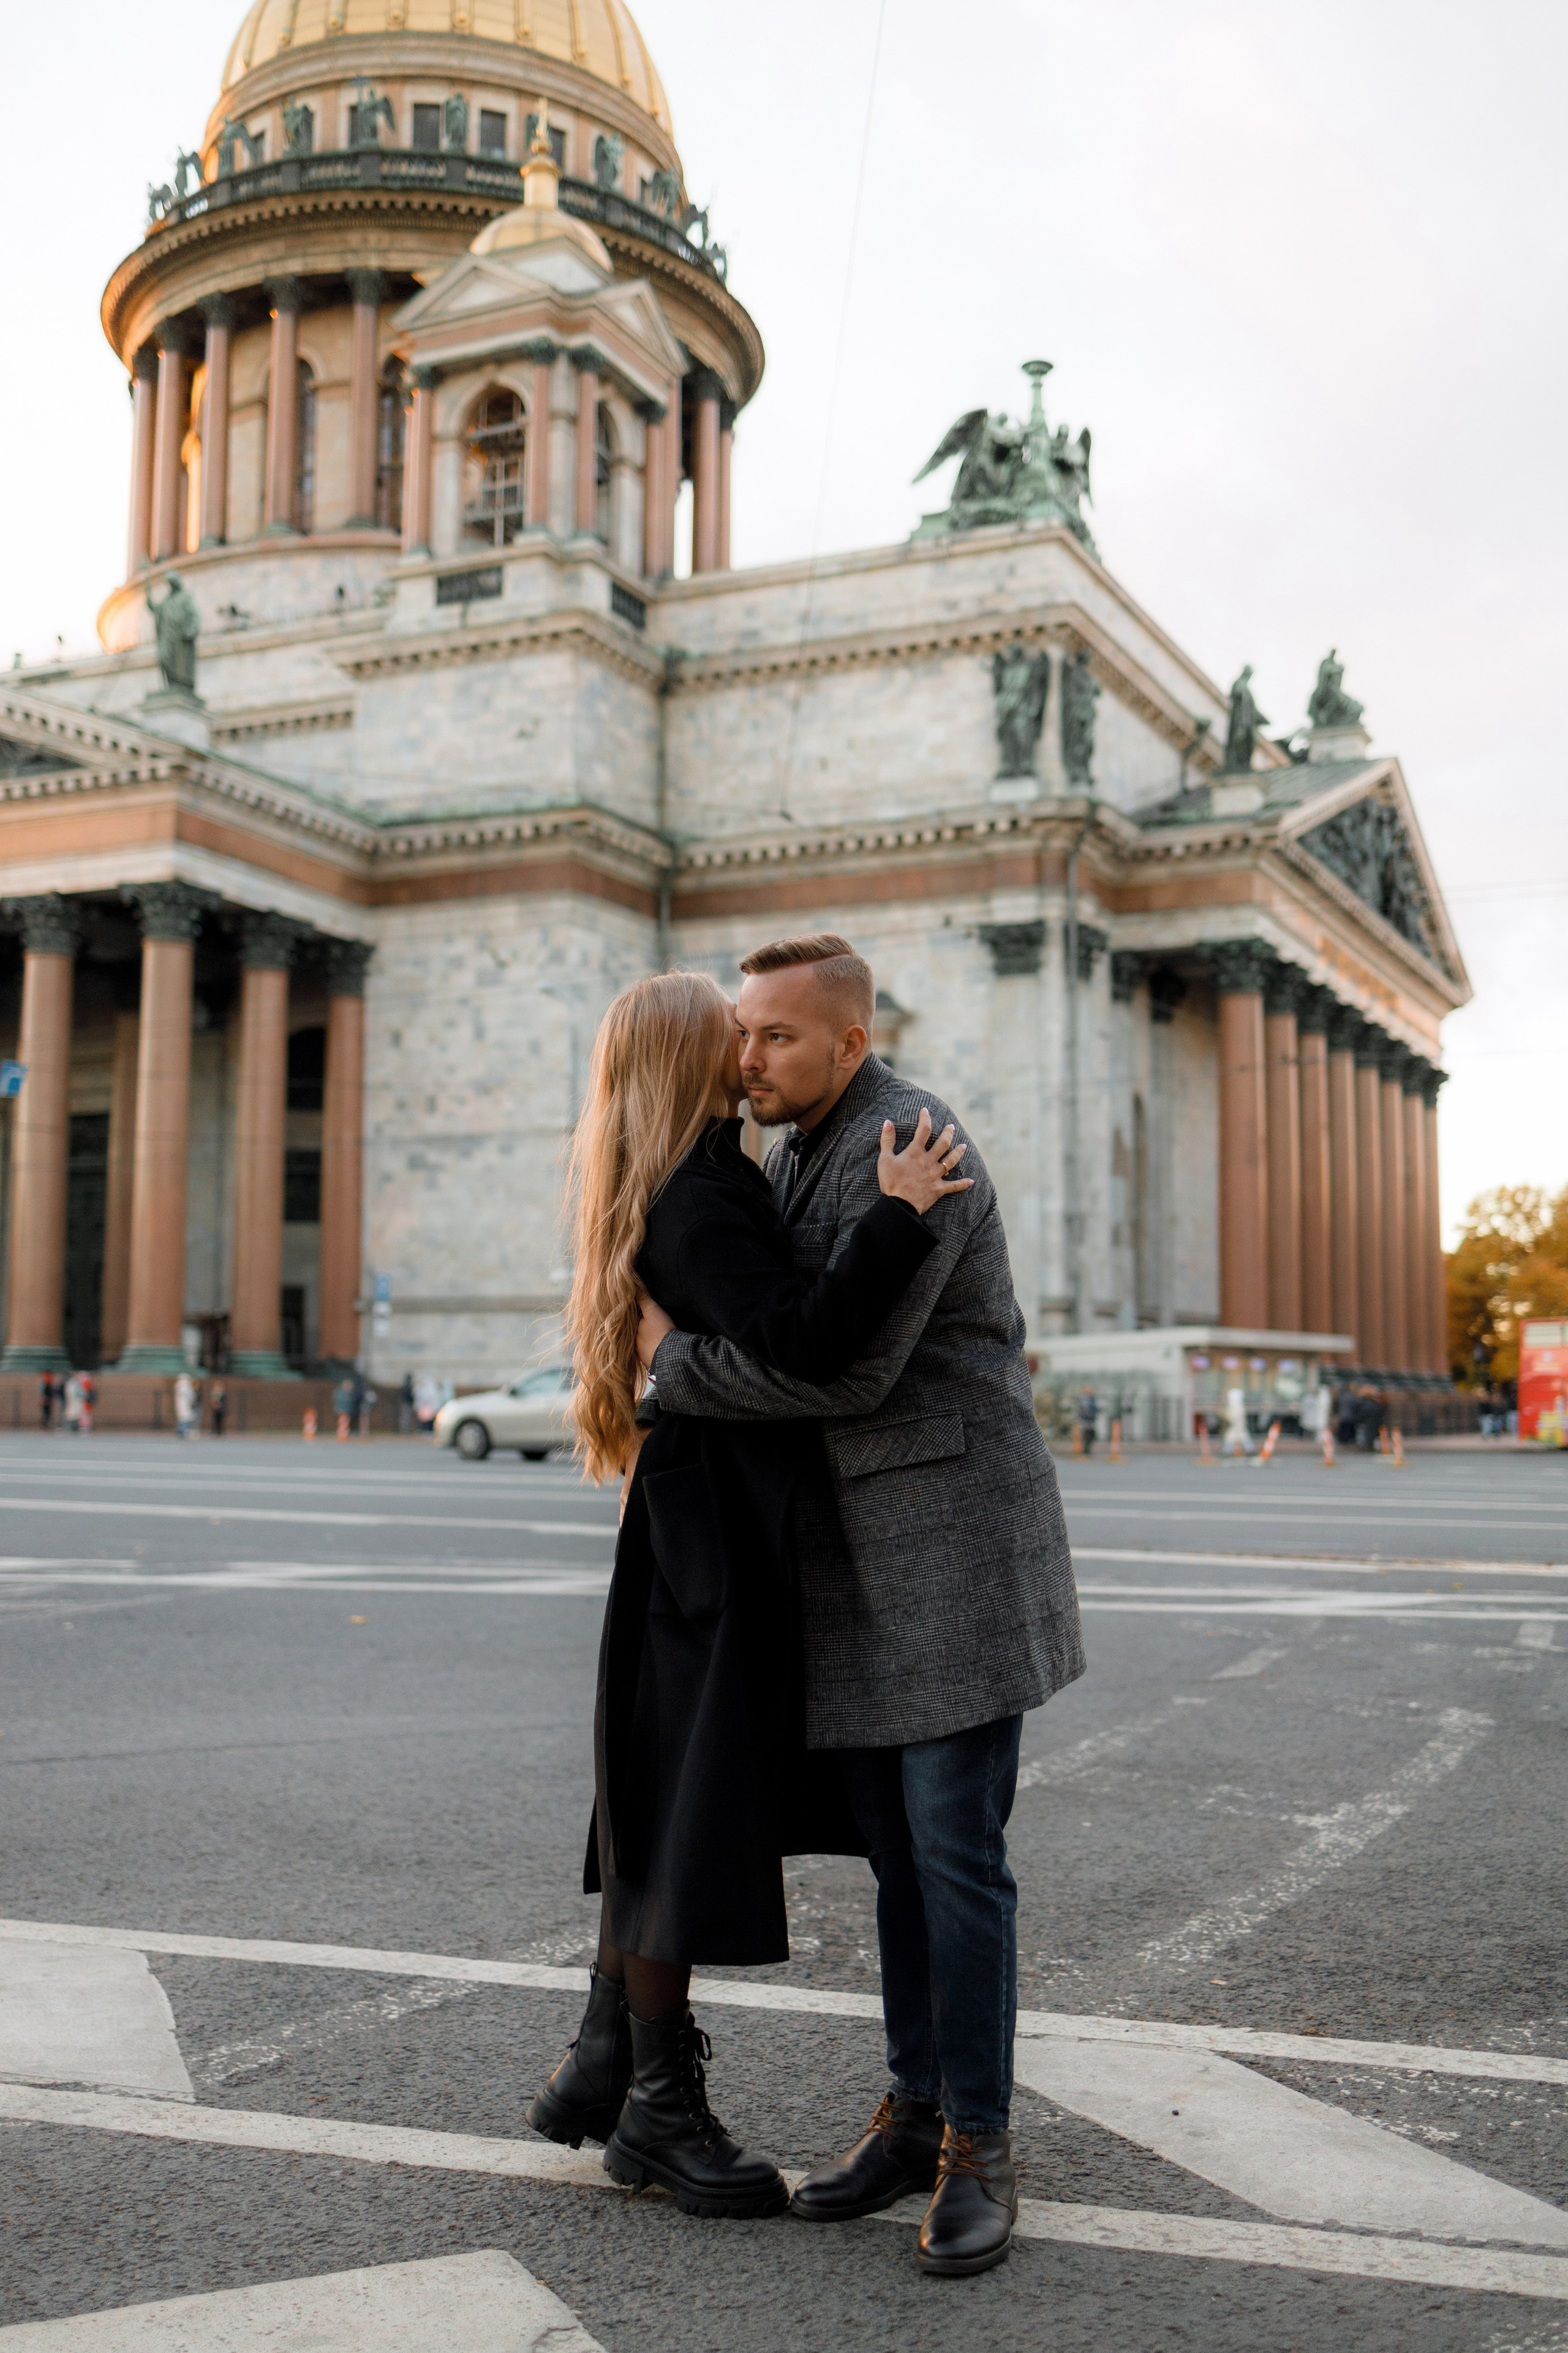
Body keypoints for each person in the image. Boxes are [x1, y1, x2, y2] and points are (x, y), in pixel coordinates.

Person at [638, 934, 1083, 2278]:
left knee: (954, 1854)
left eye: (774, 1035)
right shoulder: (797, 1150)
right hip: (861, 1561)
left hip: (951, 1551)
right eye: (740, 1030)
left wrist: (671, 1371)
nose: (745, 1056)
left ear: (849, 1039)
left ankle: (980, 2144)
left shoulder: (913, 1145)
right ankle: (915, 2111)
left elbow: (845, 1375)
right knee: (896, 1853)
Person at [526, 969, 969, 2224]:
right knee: (681, 1810)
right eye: (728, 1032)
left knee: (665, 1796)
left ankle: (608, 2062)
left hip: (695, 1526)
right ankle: (656, 2107)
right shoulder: (703, 1193)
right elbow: (805, 1343)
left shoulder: (693, 1178)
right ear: (685, 1056)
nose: (748, 1048)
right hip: (712, 1540)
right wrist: (895, 1216)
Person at [173, 1370, 198, 1440]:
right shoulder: (186, 1387)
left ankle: (181, 1431)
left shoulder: (178, 1386)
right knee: (185, 1418)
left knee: (182, 1418)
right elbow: (192, 1396)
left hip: (181, 1405)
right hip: (185, 1405)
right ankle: (183, 1431)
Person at [1076, 1385, 1099, 1454]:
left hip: (1090, 1420)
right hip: (1087, 1420)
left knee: (1090, 1435)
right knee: (1088, 1435)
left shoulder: (1091, 1399)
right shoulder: (1086, 1399)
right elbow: (1086, 1410)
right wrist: (1090, 1416)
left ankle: (1087, 1450)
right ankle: (1086, 1450)